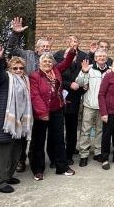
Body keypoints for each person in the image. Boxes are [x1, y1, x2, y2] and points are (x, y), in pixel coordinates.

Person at [0, 44, 32, 193]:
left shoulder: (25, 81)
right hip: (3, 122)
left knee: (15, 152)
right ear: (9, 69)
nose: (18, 71)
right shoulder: (5, 78)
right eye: (15, 68)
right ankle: (0, 182)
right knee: (3, 155)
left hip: (19, 124)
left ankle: (8, 176)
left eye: (21, 68)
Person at [7, 16, 51, 173]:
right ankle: (20, 159)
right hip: (25, 99)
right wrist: (15, 34)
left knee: (37, 133)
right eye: (43, 46)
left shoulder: (51, 61)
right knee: (23, 130)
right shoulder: (27, 55)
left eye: (48, 46)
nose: (45, 48)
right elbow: (12, 49)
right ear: (37, 48)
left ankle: (36, 158)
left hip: (42, 102)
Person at [29, 49, 77, 180]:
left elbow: (66, 62)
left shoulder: (56, 71)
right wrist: (43, 112)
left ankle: (62, 166)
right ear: (40, 63)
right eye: (44, 61)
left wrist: (72, 52)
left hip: (57, 110)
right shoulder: (34, 76)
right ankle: (38, 169)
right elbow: (35, 96)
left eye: (49, 61)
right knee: (38, 141)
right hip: (41, 112)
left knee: (58, 139)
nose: (47, 63)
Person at [53, 35, 89, 166]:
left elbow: (86, 72)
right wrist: (69, 84)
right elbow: (56, 74)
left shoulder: (84, 55)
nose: (74, 43)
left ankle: (69, 153)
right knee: (57, 127)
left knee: (72, 126)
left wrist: (83, 85)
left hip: (75, 96)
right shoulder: (59, 55)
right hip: (60, 94)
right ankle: (58, 153)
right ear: (67, 42)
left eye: (76, 41)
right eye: (72, 41)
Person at [76, 48, 109, 166]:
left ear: (106, 58)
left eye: (103, 56)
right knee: (85, 130)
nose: (101, 58)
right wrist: (84, 72)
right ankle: (84, 154)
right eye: (99, 56)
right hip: (89, 105)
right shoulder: (88, 69)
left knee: (100, 130)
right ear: (95, 58)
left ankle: (98, 152)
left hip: (103, 107)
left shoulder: (109, 71)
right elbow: (79, 83)